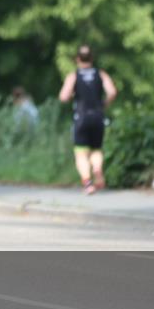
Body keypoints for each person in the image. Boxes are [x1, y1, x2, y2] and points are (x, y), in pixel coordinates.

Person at [58, 44, 117, 195]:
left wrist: (72, 94)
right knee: (96, 149)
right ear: (92, 58)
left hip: (81, 118)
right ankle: (97, 169)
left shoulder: (74, 76)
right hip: (98, 117)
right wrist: (104, 104)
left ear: (77, 59)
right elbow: (112, 92)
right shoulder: (101, 74)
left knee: (81, 153)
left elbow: (63, 97)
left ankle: (87, 183)